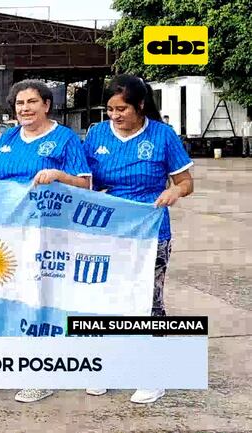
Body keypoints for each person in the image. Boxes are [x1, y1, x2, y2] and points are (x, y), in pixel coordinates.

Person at [0, 79, 91, 404]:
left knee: (38, 299)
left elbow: (86, 185)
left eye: (32, 102)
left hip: (48, 236)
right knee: (2, 297)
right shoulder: (6, 139)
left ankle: (40, 374)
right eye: (20, 103)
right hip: (6, 236)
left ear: (46, 105)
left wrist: (58, 176)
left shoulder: (64, 139)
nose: (25, 109)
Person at [83, 74, 194, 404]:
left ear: (140, 105)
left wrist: (173, 191)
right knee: (107, 299)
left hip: (150, 230)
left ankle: (153, 373)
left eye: (121, 109)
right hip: (108, 228)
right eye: (110, 109)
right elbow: (85, 180)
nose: (114, 116)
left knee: (148, 301)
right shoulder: (97, 134)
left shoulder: (162, 136)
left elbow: (186, 182)